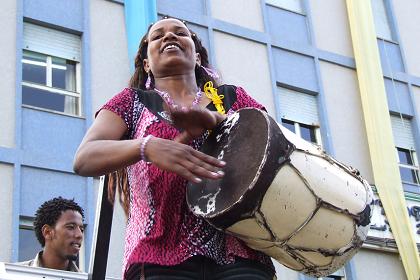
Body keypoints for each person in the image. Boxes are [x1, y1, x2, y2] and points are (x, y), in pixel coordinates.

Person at [73, 17, 275, 280]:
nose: (169, 36)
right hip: (158, 257)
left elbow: (274, 144)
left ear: (198, 57)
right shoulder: (131, 101)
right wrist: (147, 146)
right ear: (147, 63)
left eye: (180, 33)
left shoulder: (231, 97)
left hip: (242, 256)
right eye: (157, 36)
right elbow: (84, 158)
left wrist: (217, 121)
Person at [19, 197, 84, 272]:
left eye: (81, 230)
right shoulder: (13, 275)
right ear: (47, 232)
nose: (79, 235)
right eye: (71, 227)